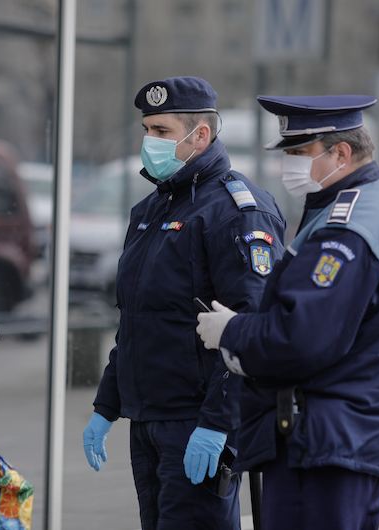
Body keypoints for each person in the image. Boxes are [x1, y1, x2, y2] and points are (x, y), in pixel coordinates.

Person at [196, 95, 379, 530]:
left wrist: (232, 332)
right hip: (349, 439)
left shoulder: (349, 229)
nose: (289, 164)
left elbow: (301, 338)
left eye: (300, 152)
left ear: (341, 153)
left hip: (319, 446)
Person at [82, 76, 287, 530]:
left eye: (161, 131)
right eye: (146, 129)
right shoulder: (151, 210)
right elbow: (136, 320)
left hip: (197, 422)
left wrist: (217, 423)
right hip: (149, 419)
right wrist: (106, 405)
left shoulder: (236, 211)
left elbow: (250, 328)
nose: (149, 141)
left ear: (201, 135)